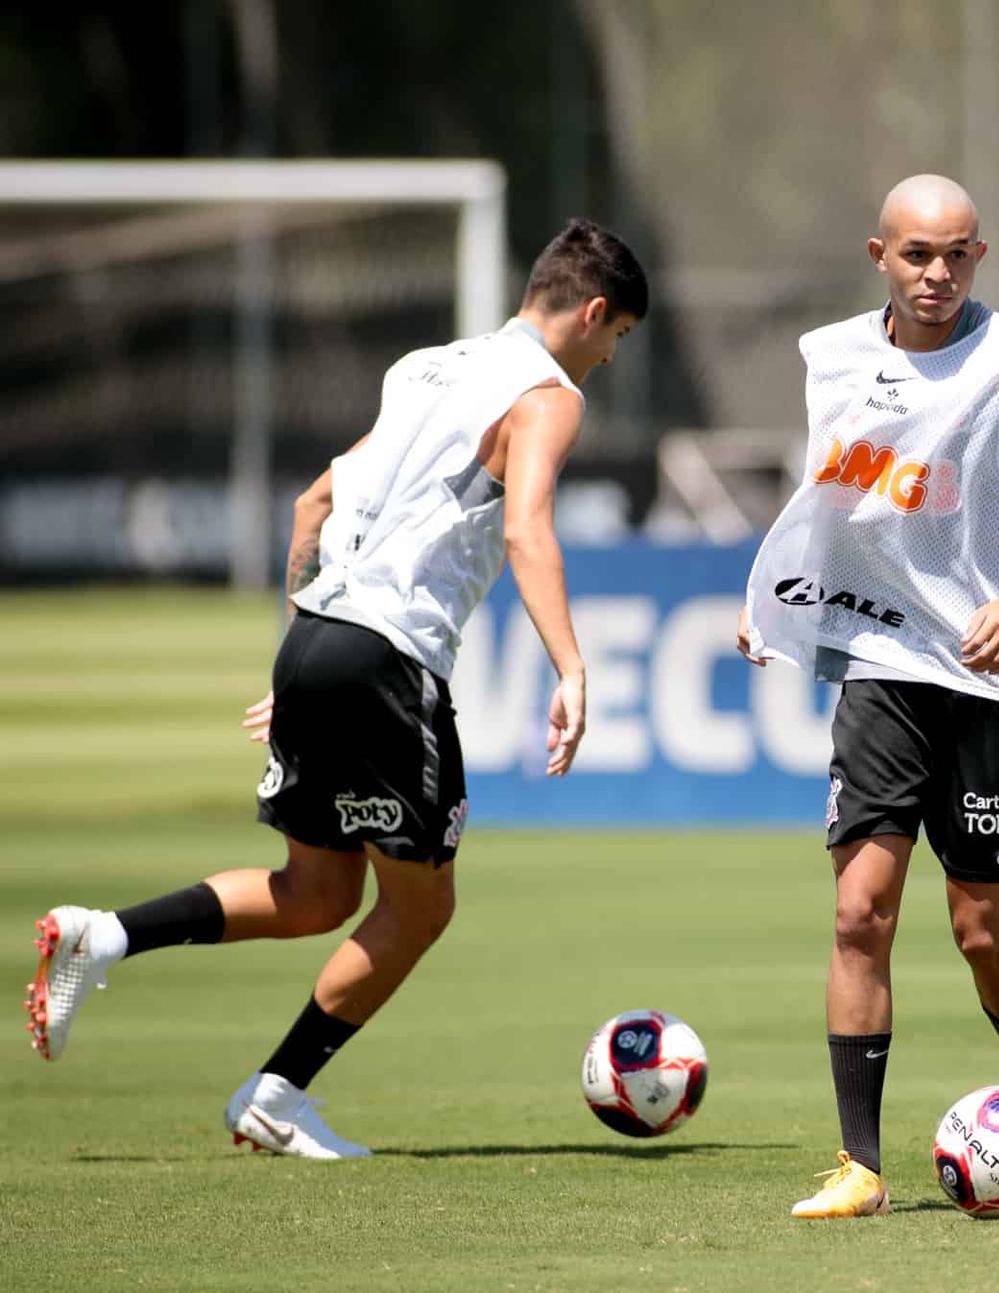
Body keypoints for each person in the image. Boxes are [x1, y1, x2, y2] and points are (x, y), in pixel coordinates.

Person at [24, 218, 649, 1155]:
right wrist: (570, 663)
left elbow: (313, 502)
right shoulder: (549, 394)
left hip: (319, 639)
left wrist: (307, 660)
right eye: (618, 338)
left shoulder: (424, 366)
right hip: (389, 657)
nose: (607, 358)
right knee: (421, 907)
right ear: (594, 311)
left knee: (315, 894)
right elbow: (527, 532)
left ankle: (102, 933)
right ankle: (276, 1093)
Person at [738, 174, 999, 1216]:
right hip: (880, 667)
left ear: (980, 255)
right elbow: (833, 497)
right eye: (918, 254)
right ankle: (860, 1167)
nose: (938, 274)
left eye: (957, 254)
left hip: (990, 679)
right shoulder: (830, 357)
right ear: (880, 256)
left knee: (980, 929)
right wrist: (780, 601)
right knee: (861, 913)